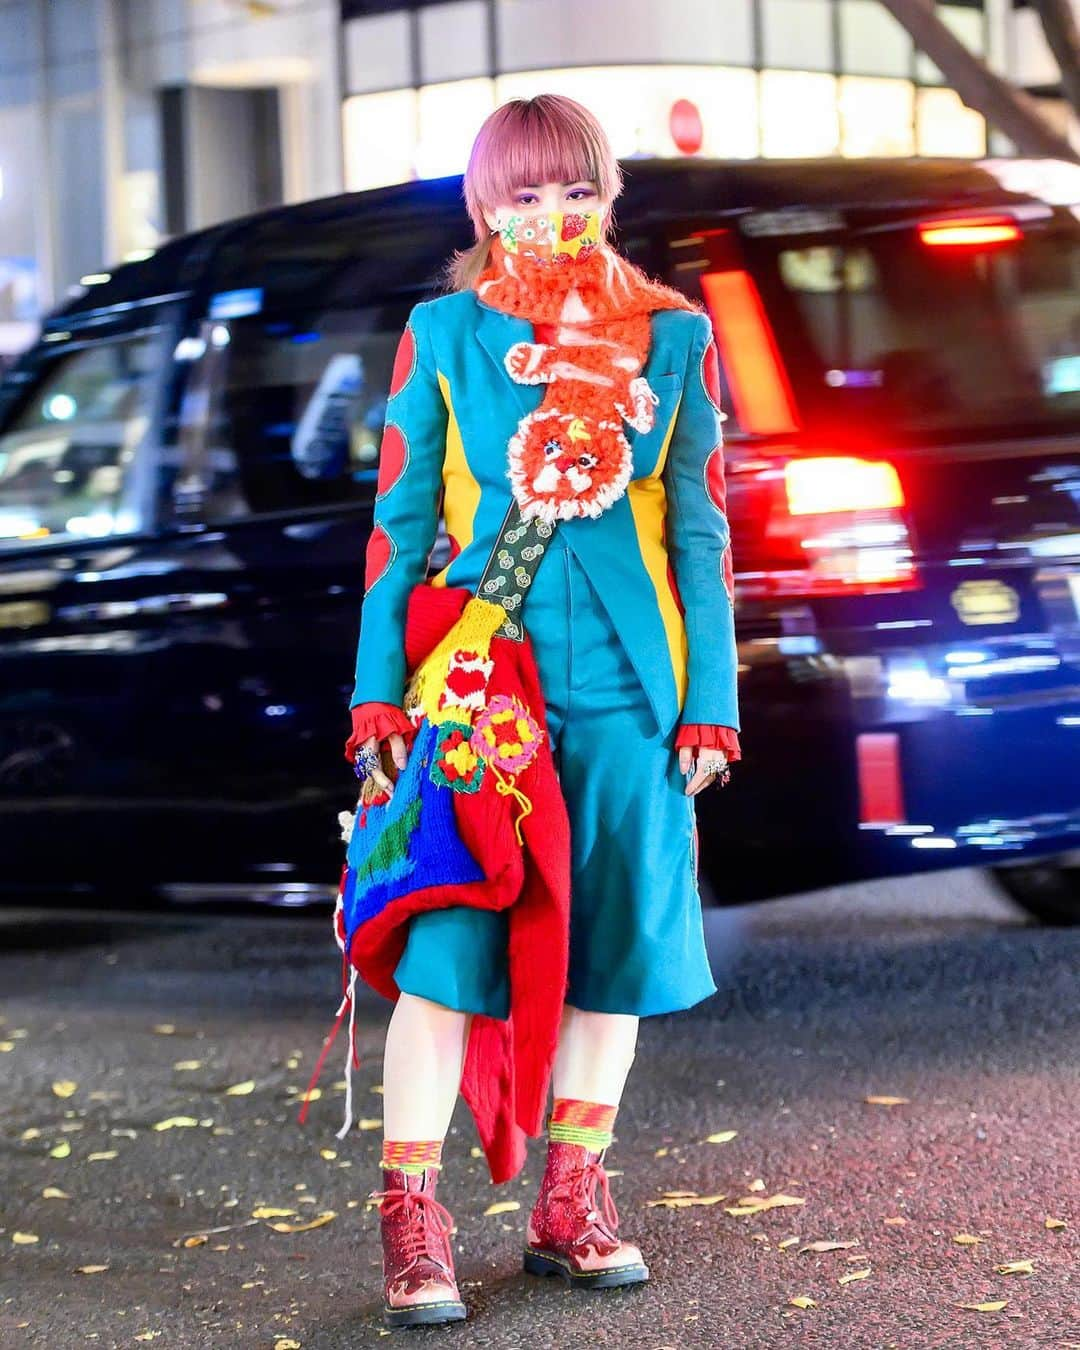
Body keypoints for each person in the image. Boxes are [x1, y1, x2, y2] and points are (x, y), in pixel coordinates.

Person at [342, 94, 740, 1329]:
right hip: (481, 677)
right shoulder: (443, 332)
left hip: (634, 688)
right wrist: (372, 697)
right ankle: (414, 1222)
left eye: (575, 188)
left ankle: (572, 1200)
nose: (553, 213)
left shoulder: (674, 338)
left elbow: (700, 524)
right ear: (484, 205)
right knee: (451, 949)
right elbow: (401, 529)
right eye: (524, 193)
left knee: (611, 941)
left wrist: (711, 702)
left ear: (608, 193)